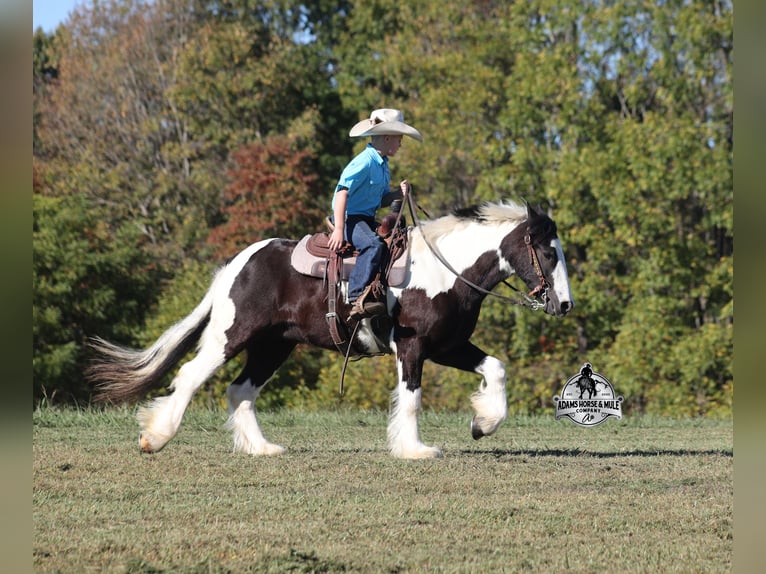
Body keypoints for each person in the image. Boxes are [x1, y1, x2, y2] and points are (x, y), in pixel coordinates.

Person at [328, 108, 422, 320]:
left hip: (365, 218)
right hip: (349, 218)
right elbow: (342, 192)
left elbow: (379, 201)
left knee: (397, 240)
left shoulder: (382, 165)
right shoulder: (365, 161)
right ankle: (354, 297)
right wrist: (340, 229)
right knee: (373, 244)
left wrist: (398, 193)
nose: (401, 144)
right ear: (387, 137)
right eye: (399, 139)